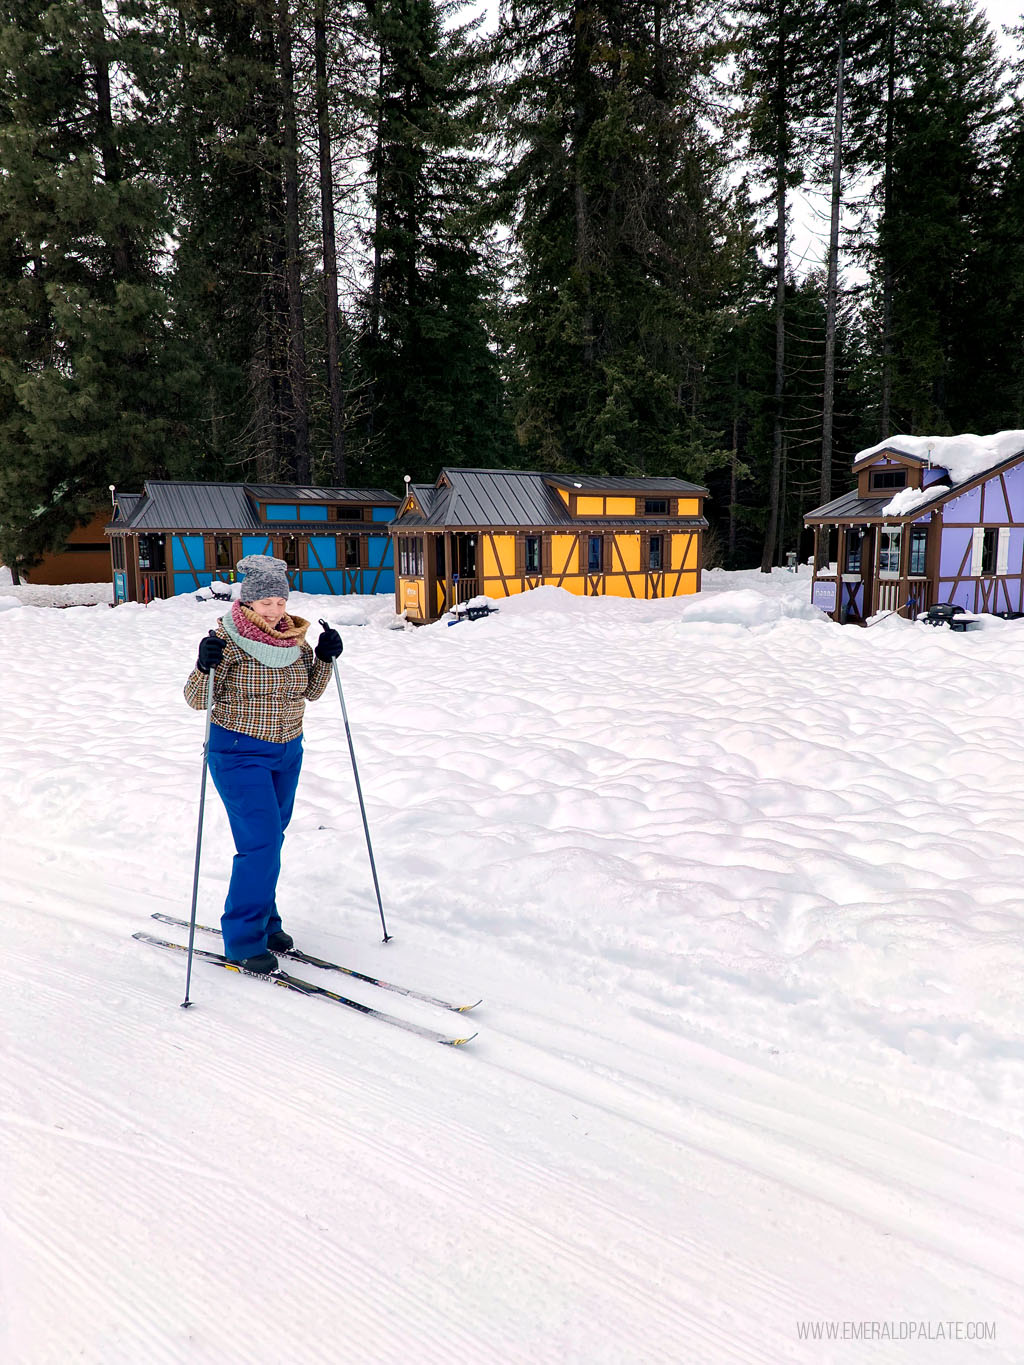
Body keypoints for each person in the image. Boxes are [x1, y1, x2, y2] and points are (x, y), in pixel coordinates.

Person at [184, 554, 343, 974]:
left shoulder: (295, 640)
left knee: (272, 838)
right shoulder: (227, 639)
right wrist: (204, 665)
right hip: (238, 752)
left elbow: (310, 691)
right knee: (261, 844)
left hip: (288, 749)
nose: (274, 611)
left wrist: (326, 658)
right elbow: (196, 700)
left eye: (280, 601)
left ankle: (267, 921)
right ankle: (242, 938)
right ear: (248, 603)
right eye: (265, 603)